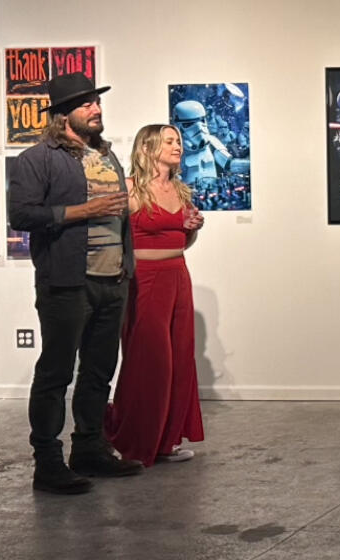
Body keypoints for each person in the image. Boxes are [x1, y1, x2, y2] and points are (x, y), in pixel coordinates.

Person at [7, 72, 145, 495]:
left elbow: (119, 215)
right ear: (64, 114)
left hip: (112, 279)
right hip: (67, 281)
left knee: (99, 371)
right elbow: (22, 215)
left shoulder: (107, 155)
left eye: (97, 102)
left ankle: (89, 449)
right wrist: (82, 211)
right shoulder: (38, 158)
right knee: (56, 372)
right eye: (87, 103)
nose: (96, 108)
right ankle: (47, 462)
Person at [105, 124, 206, 467]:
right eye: (169, 141)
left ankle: (165, 441)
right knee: (149, 361)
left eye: (178, 141)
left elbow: (182, 241)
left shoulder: (180, 189)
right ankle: (134, 441)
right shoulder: (131, 188)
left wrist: (193, 229)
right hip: (144, 279)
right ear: (148, 148)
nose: (178, 146)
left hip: (178, 276)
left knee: (178, 359)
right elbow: (114, 237)